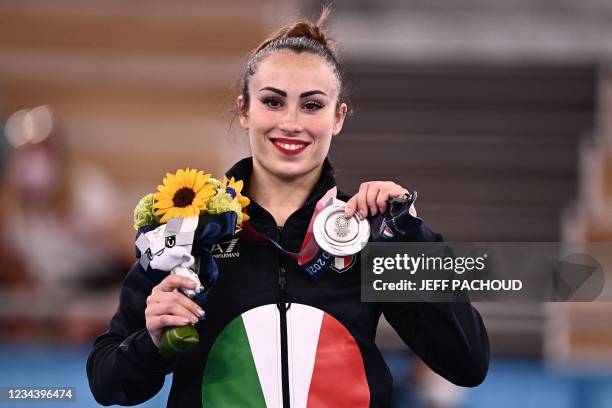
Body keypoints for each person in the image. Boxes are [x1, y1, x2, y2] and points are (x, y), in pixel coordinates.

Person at [87, 8, 489, 407]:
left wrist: (413, 241)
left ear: (338, 117)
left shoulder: (367, 233)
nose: (291, 123)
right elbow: (108, 383)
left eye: (312, 105)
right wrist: (153, 342)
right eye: (273, 102)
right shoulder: (189, 230)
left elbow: (467, 363)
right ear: (245, 110)